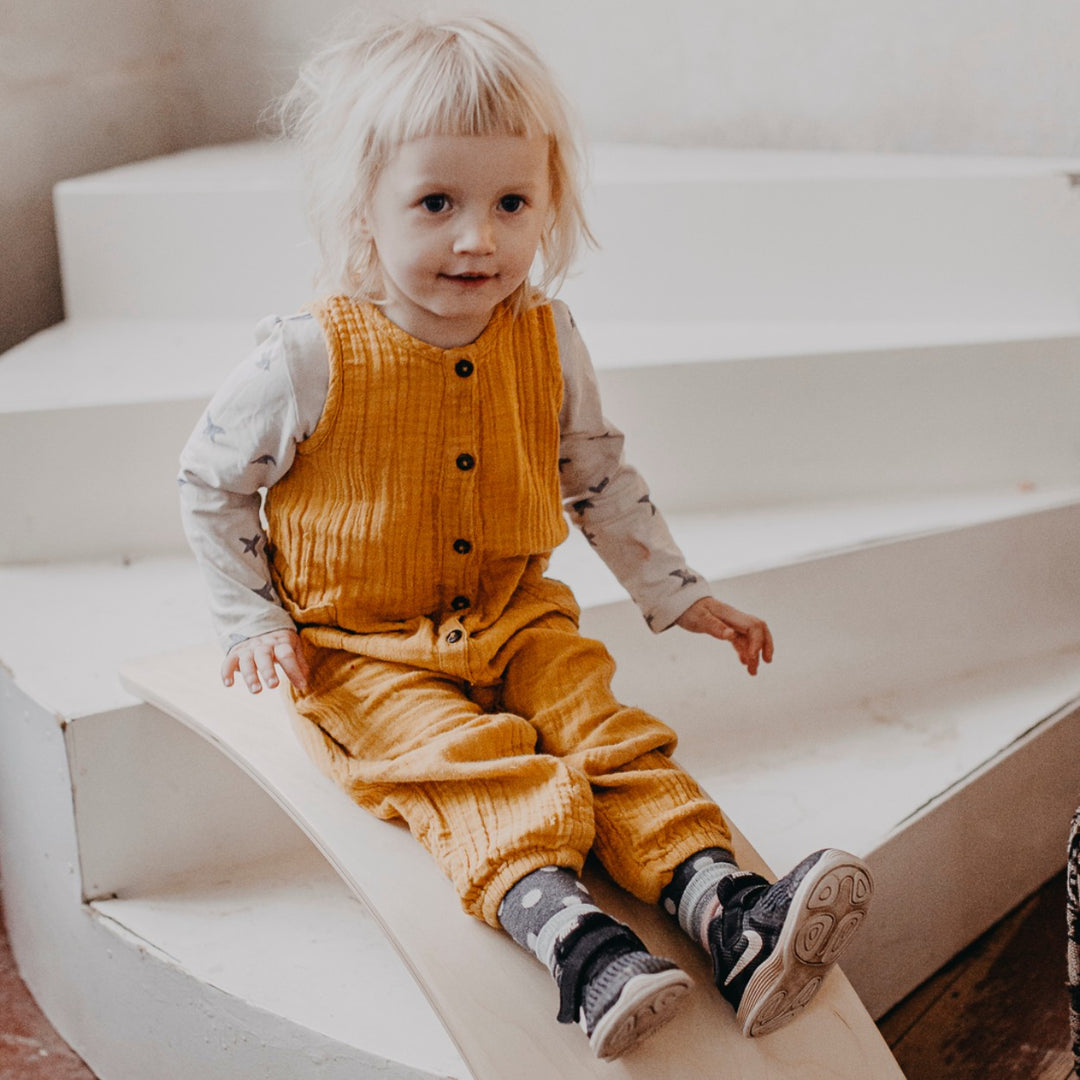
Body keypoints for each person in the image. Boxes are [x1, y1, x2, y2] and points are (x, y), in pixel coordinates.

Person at [179, 13, 872, 1061]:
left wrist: (679, 592)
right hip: (360, 651)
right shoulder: (310, 357)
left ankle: (726, 910)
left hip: (513, 617)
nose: (479, 238)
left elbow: (595, 473)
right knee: (469, 762)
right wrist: (249, 617)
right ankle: (579, 945)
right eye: (437, 204)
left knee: (598, 726)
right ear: (364, 212)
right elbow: (208, 481)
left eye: (513, 203)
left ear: (551, 201)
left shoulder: (546, 337)